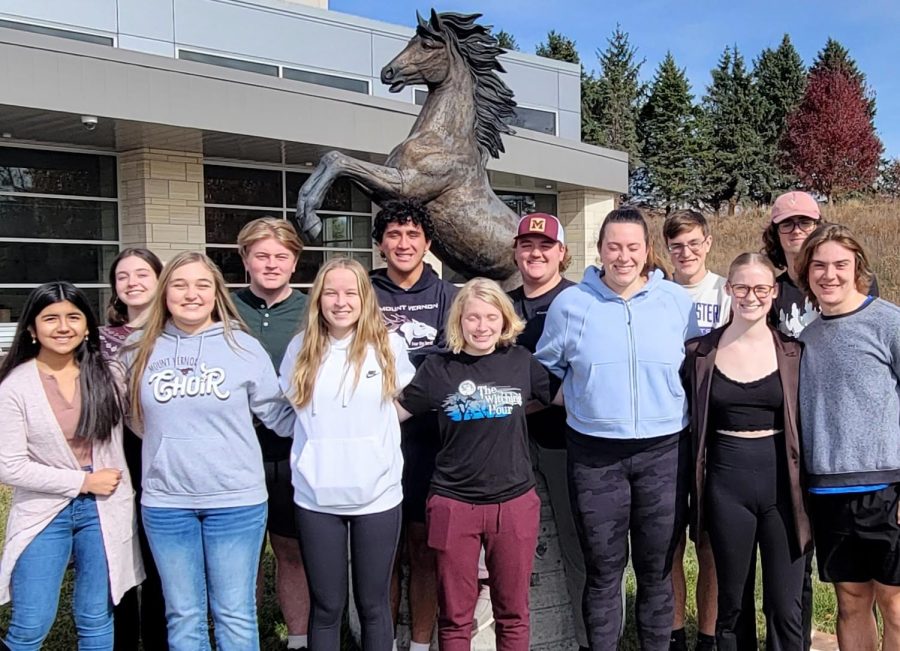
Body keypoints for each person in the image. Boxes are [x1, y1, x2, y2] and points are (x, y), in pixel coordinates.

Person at [536, 206, 698, 651]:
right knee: (604, 571)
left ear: (647, 251)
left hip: (664, 453)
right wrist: (581, 399)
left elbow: (695, 371)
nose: (623, 257)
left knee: (656, 570)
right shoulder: (571, 305)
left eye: (632, 247)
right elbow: (543, 371)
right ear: (600, 250)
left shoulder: (676, 304)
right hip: (595, 456)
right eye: (614, 247)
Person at [123, 251, 294, 651]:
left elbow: (277, 416)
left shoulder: (243, 347)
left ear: (216, 292)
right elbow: (134, 419)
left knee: (234, 612)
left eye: (202, 285)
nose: (191, 294)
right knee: (183, 614)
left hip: (236, 500)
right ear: (165, 293)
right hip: (166, 503)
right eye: (180, 285)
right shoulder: (138, 349)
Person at [396, 277, 552, 651]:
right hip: (453, 503)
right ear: (459, 321)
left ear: (504, 320)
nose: (481, 326)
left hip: (513, 502)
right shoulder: (438, 369)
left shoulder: (521, 363)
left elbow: (563, 397)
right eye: (472, 318)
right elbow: (393, 413)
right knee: (454, 614)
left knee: (513, 611)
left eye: (490, 317)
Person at [0, 282, 144, 650]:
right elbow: (8, 465)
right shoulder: (15, 386)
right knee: (31, 623)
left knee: (96, 617)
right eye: (50, 318)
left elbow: (142, 424)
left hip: (104, 510)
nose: (63, 327)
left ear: (86, 325)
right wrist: (82, 483)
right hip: (44, 510)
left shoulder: (107, 375)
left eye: (73, 317)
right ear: (32, 328)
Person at [279, 257, 414, 651]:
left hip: (378, 495)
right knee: (326, 607)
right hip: (316, 497)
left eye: (350, 292)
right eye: (331, 292)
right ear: (318, 298)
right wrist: (316, 447)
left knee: (374, 606)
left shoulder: (388, 346)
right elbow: (285, 411)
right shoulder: (301, 348)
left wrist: (377, 437)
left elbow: (408, 401)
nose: (340, 302)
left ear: (364, 298)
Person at [684, 252, 812, 651]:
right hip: (726, 483)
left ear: (773, 292)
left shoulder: (794, 353)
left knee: (785, 605)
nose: (751, 296)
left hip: (782, 487)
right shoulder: (700, 353)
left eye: (760, 288)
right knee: (733, 604)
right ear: (729, 290)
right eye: (742, 287)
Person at [795, 224, 900, 651]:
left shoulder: (889, 322)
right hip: (828, 493)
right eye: (818, 265)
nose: (829, 274)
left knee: (895, 603)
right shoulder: (806, 337)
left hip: (888, 489)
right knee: (851, 600)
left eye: (840, 264)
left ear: (858, 266)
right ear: (806, 273)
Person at [369, 200, 458, 651]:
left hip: (429, 442)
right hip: (371, 440)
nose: (403, 244)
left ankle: (421, 643)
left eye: (413, 235)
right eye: (394, 235)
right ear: (381, 243)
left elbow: (448, 367)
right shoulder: (364, 293)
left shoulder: (447, 297)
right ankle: (383, 640)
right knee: (382, 555)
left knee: (423, 551)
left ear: (427, 243)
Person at [506, 213, 589, 650]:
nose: (534, 253)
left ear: (561, 252)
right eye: (526, 245)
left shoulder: (581, 303)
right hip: (508, 445)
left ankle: (586, 638)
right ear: (516, 251)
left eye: (544, 246)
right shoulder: (501, 306)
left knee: (578, 548)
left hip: (563, 440)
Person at [232, 217, 311, 651]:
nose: (271, 264)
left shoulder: (310, 312)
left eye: (281, 256)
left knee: (290, 550)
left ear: (295, 262)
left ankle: (297, 639)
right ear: (245, 259)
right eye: (261, 255)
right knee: (239, 557)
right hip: (232, 451)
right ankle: (242, 636)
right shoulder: (222, 310)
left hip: (289, 448)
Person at [662, 210, 727, 651]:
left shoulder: (727, 291)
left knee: (710, 543)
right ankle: (672, 635)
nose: (686, 253)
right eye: (677, 245)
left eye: (693, 243)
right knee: (667, 544)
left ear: (707, 242)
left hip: (717, 432)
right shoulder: (655, 294)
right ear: (667, 250)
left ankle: (709, 635)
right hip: (668, 431)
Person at [100, 247, 169, 651]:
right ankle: (122, 638)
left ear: (158, 281)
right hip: (115, 454)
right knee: (120, 550)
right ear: (114, 288)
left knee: (157, 555)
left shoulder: (175, 334)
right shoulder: (99, 340)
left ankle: (158, 638)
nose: (133, 283)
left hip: (160, 452)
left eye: (142, 274)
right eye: (123, 276)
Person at [764, 190, 878, 337]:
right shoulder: (772, 291)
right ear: (775, 232)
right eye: (787, 224)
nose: (796, 231)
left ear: (818, 227)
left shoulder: (856, 280)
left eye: (805, 223)